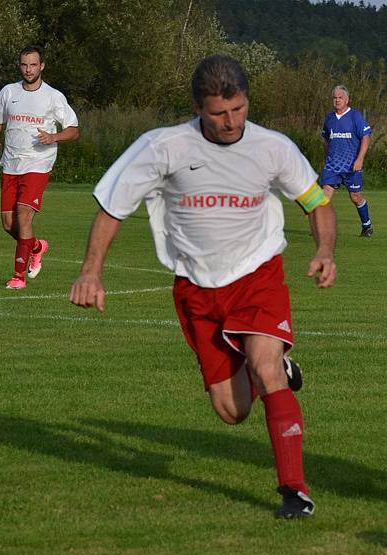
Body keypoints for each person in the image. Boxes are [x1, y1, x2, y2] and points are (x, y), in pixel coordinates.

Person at [69, 55, 336, 519]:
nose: (231, 122)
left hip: (258, 276)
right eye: (219, 113)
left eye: (238, 109)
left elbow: (316, 203)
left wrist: (325, 250)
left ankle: (295, 490)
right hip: (196, 290)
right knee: (232, 411)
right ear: (198, 107)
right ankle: (274, 367)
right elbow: (113, 208)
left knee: (264, 367)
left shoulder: (274, 148)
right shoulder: (163, 146)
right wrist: (91, 271)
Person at [0, 45, 79, 289]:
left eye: (33, 65)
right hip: (10, 163)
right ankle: (37, 247)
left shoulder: (53, 96)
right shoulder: (8, 92)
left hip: (38, 164)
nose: (28, 69)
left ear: (42, 66)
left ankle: (18, 277)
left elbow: (73, 130)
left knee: (24, 216)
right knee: (8, 224)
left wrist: (54, 137)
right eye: (24, 65)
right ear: (20, 66)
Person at [320, 85, 374, 237]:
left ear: (347, 100)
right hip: (332, 166)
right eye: (335, 98)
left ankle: (367, 226)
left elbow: (366, 137)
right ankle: (323, 229)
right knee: (324, 196)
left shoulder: (355, 116)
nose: (337, 100)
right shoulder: (329, 119)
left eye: (340, 97)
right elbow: (326, 140)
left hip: (351, 166)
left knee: (355, 197)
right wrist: (327, 158)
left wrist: (360, 159)